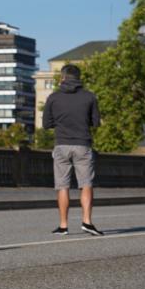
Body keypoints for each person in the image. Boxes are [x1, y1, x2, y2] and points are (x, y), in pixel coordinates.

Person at [42, 64, 103, 236]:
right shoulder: (89, 97)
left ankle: (63, 225)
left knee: (62, 186)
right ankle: (87, 222)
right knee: (86, 184)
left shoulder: (53, 97)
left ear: (62, 78)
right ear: (79, 78)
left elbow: (46, 124)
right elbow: (96, 122)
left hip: (61, 144)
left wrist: (61, 122)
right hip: (83, 144)